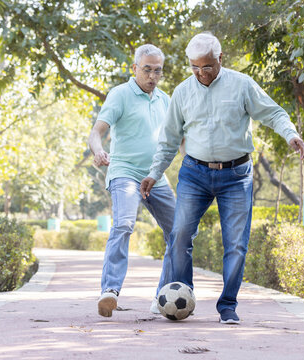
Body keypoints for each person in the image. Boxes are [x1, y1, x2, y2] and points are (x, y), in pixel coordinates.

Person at [140, 33, 304, 324]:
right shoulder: (182, 92)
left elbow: (273, 113)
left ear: (220, 60)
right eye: (194, 67)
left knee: (236, 245)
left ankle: (227, 305)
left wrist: (290, 134)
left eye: (207, 66)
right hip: (194, 173)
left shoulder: (241, 85)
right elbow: (168, 141)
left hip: (236, 175)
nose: (201, 73)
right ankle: (182, 295)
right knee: (179, 235)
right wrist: (154, 173)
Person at [88, 44, 176, 317]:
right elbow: (96, 132)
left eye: (157, 71)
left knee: (180, 231)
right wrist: (99, 150)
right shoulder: (121, 95)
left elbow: (181, 139)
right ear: (135, 68)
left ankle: (163, 295)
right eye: (146, 69)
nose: (152, 76)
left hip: (156, 177)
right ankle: (110, 291)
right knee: (125, 223)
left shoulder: (165, 100)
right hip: (124, 172)